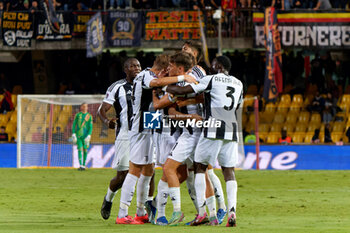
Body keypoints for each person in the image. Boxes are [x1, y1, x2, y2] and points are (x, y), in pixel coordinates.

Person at [116, 54, 197, 224]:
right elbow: (157, 85)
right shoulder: (147, 76)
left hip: (150, 128)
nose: (168, 75)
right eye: (168, 71)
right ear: (163, 69)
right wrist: (183, 77)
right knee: (135, 170)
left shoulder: (149, 77)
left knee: (148, 171)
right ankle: (123, 214)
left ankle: (141, 211)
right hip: (141, 130)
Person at [165, 55, 244, 227]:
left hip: (213, 126)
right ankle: (232, 211)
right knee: (228, 171)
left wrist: (167, 86)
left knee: (200, 167)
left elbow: (183, 90)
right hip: (231, 128)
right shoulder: (239, 83)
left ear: (220, 66)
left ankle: (202, 212)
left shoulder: (211, 79)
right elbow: (237, 105)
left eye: (214, 65)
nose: (211, 67)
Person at [98, 58, 141, 220]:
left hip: (144, 134)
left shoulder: (146, 84)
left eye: (138, 66)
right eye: (132, 66)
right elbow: (102, 110)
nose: (136, 68)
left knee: (146, 173)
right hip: (125, 135)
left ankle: (143, 211)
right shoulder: (117, 87)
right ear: (125, 69)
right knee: (122, 175)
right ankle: (108, 199)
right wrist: (107, 121)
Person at [72, 103, 93, 171]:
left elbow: (90, 127)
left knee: (85, 150)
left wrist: (89, 135)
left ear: (87, 107)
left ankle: (84, 165)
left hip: (86, 136)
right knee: (80, 149)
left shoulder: (89, 116)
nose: (84, 107)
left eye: (86, 106)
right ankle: (81, 165)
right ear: (81, 107)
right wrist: (73, 134)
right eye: (83, 106)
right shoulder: (78, 115)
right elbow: (74, 125)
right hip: (79, 136)